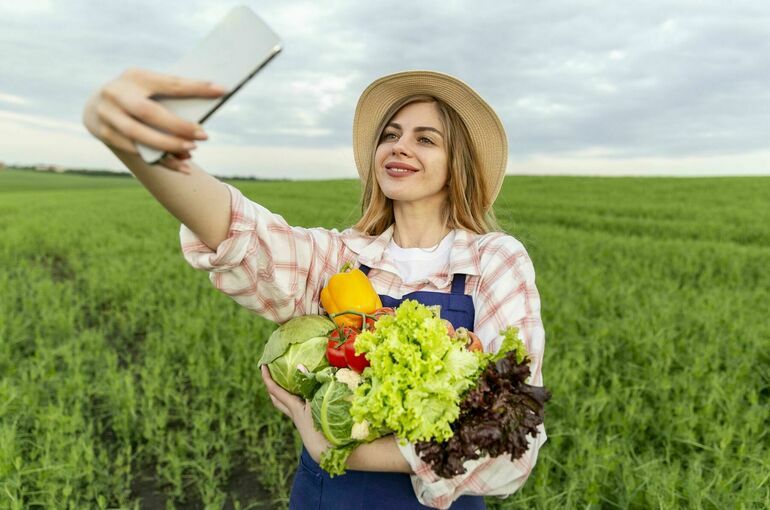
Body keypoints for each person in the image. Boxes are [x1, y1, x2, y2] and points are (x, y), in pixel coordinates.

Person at [83, 68, 547, 509]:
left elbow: (509, 440)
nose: (399, 146)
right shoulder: (341, 258)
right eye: (390, 134)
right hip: (326, 500)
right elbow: (242, 234)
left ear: (457, 162)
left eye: (425, 139)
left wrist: (341, 450)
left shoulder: (494, 260)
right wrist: (138, 146)